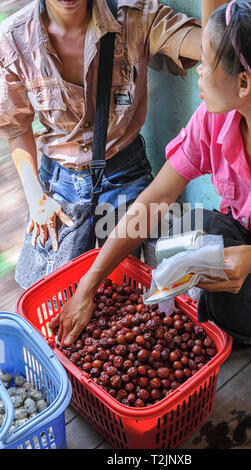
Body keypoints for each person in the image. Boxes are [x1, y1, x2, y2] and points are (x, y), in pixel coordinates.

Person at [50, 0, 251, 428]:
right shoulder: (216, 121)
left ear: (244, 82)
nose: (197, 72)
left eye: (206, 62)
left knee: (229, 301)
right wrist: (90, 283)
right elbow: (153, 200)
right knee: (184, 237)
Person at [0, 0, 225, 288]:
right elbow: (16, 127)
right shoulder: (14, 38)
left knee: (123, 289)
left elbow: (212, 49)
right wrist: (35, 198)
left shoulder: (135, 17)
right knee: (56, 292)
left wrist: (214, 12)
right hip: (59, 186)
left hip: (125, 177)